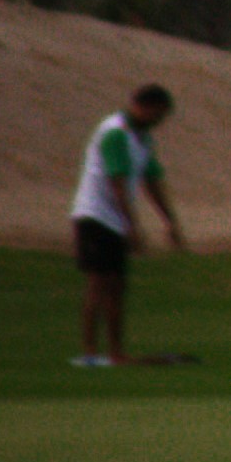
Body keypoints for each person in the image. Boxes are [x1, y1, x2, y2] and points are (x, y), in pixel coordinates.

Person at [69, 82, 185, 369]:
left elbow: (152, 181)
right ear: (146, 107)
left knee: (117, 285)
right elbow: (117, 184)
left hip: (114, 219)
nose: (160, 121)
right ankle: (90, 352)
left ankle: (116, 353)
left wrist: (170, 222)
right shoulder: (115, 133)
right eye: (159, 114)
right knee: (99, 283)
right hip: (95, 214)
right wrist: (132, 226)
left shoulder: (142, 139)